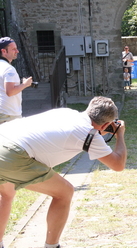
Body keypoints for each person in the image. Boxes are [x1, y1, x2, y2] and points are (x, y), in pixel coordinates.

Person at [0, 96, 127, 248]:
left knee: (7, 194)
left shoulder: (67, 112)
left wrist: (99, 132)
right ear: (106, 124)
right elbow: (118, 164)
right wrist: (120, 134)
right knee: (64, 192)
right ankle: (52, 246)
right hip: (12, 154)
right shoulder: (88, 134)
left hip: (3, 137)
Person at [0, 37, 33, 124]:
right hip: (9, 115)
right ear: (4, 51)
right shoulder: (8, 69)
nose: (17, 51)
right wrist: (25, 84)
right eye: (13, 49)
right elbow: (10, 92)